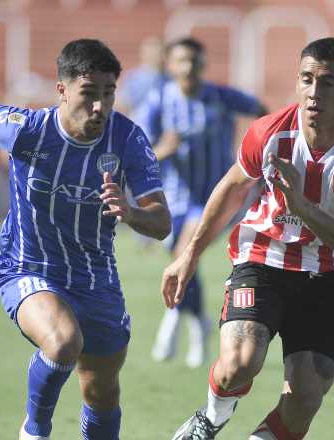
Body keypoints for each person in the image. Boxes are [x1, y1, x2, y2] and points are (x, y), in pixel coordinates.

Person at [0, 39, 170, 440]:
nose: (99, 107)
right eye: (89, 94)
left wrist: (130, 213)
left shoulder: (128, 139)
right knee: (62, 342)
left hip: (96, 281)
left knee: (102, 390)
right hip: (27, 267)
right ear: (62, 91)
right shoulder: (26, 130)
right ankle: (34, 430)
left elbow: (161, 222)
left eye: (108, 94)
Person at [162, 37, 334, 439]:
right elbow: (232, 189)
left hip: (330, 274)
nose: (313, 92)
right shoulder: (270, 132)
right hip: (263, 258)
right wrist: (189, 255)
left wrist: (302, 205)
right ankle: (211, 419)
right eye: (306, 79)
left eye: (327, 83)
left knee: (305, 396)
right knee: (239, 361)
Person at [138, 37, 267, 368]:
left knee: (185, 252)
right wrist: (163, 150)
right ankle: (198, 323)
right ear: (169, 65)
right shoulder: (158, 101)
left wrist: (260, 153)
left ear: (203, 64)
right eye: (181, 61)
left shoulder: (221, 97)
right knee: (184, 261)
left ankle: (171, 324)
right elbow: (139, 152)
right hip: (171, 199)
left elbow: (262, 113)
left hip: (212, 199)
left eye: (194, 61)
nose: (188, 67)